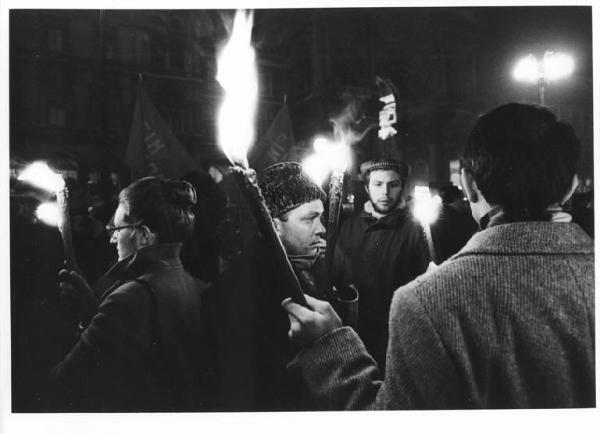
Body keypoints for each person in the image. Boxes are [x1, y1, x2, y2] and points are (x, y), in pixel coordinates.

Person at [282, 103, 595, 409]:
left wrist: (329, 347)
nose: (385, 192)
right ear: (570, 186)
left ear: (469, 183)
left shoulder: (425, 301)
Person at [49, 176, 210, 412]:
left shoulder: (127, 299)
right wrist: (93, 311)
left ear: (144, 235)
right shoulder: (197, 285)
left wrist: (85, 321)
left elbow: (64, 382)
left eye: (118, 228)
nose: (113, 237)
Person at [202, 162, 331, 411]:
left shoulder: (311, 268)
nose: (322, 229)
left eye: (321, 217)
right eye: (310, 219)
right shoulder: (241, 288)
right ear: (274, 225)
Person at [332, 158, 430, 369]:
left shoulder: (416, 230)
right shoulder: (350, 226)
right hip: (354, 334)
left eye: (393, 184)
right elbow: (337, 275)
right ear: (367, 188)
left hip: (395, 336)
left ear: (402, 187)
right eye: (378, 184)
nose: (385, 192)